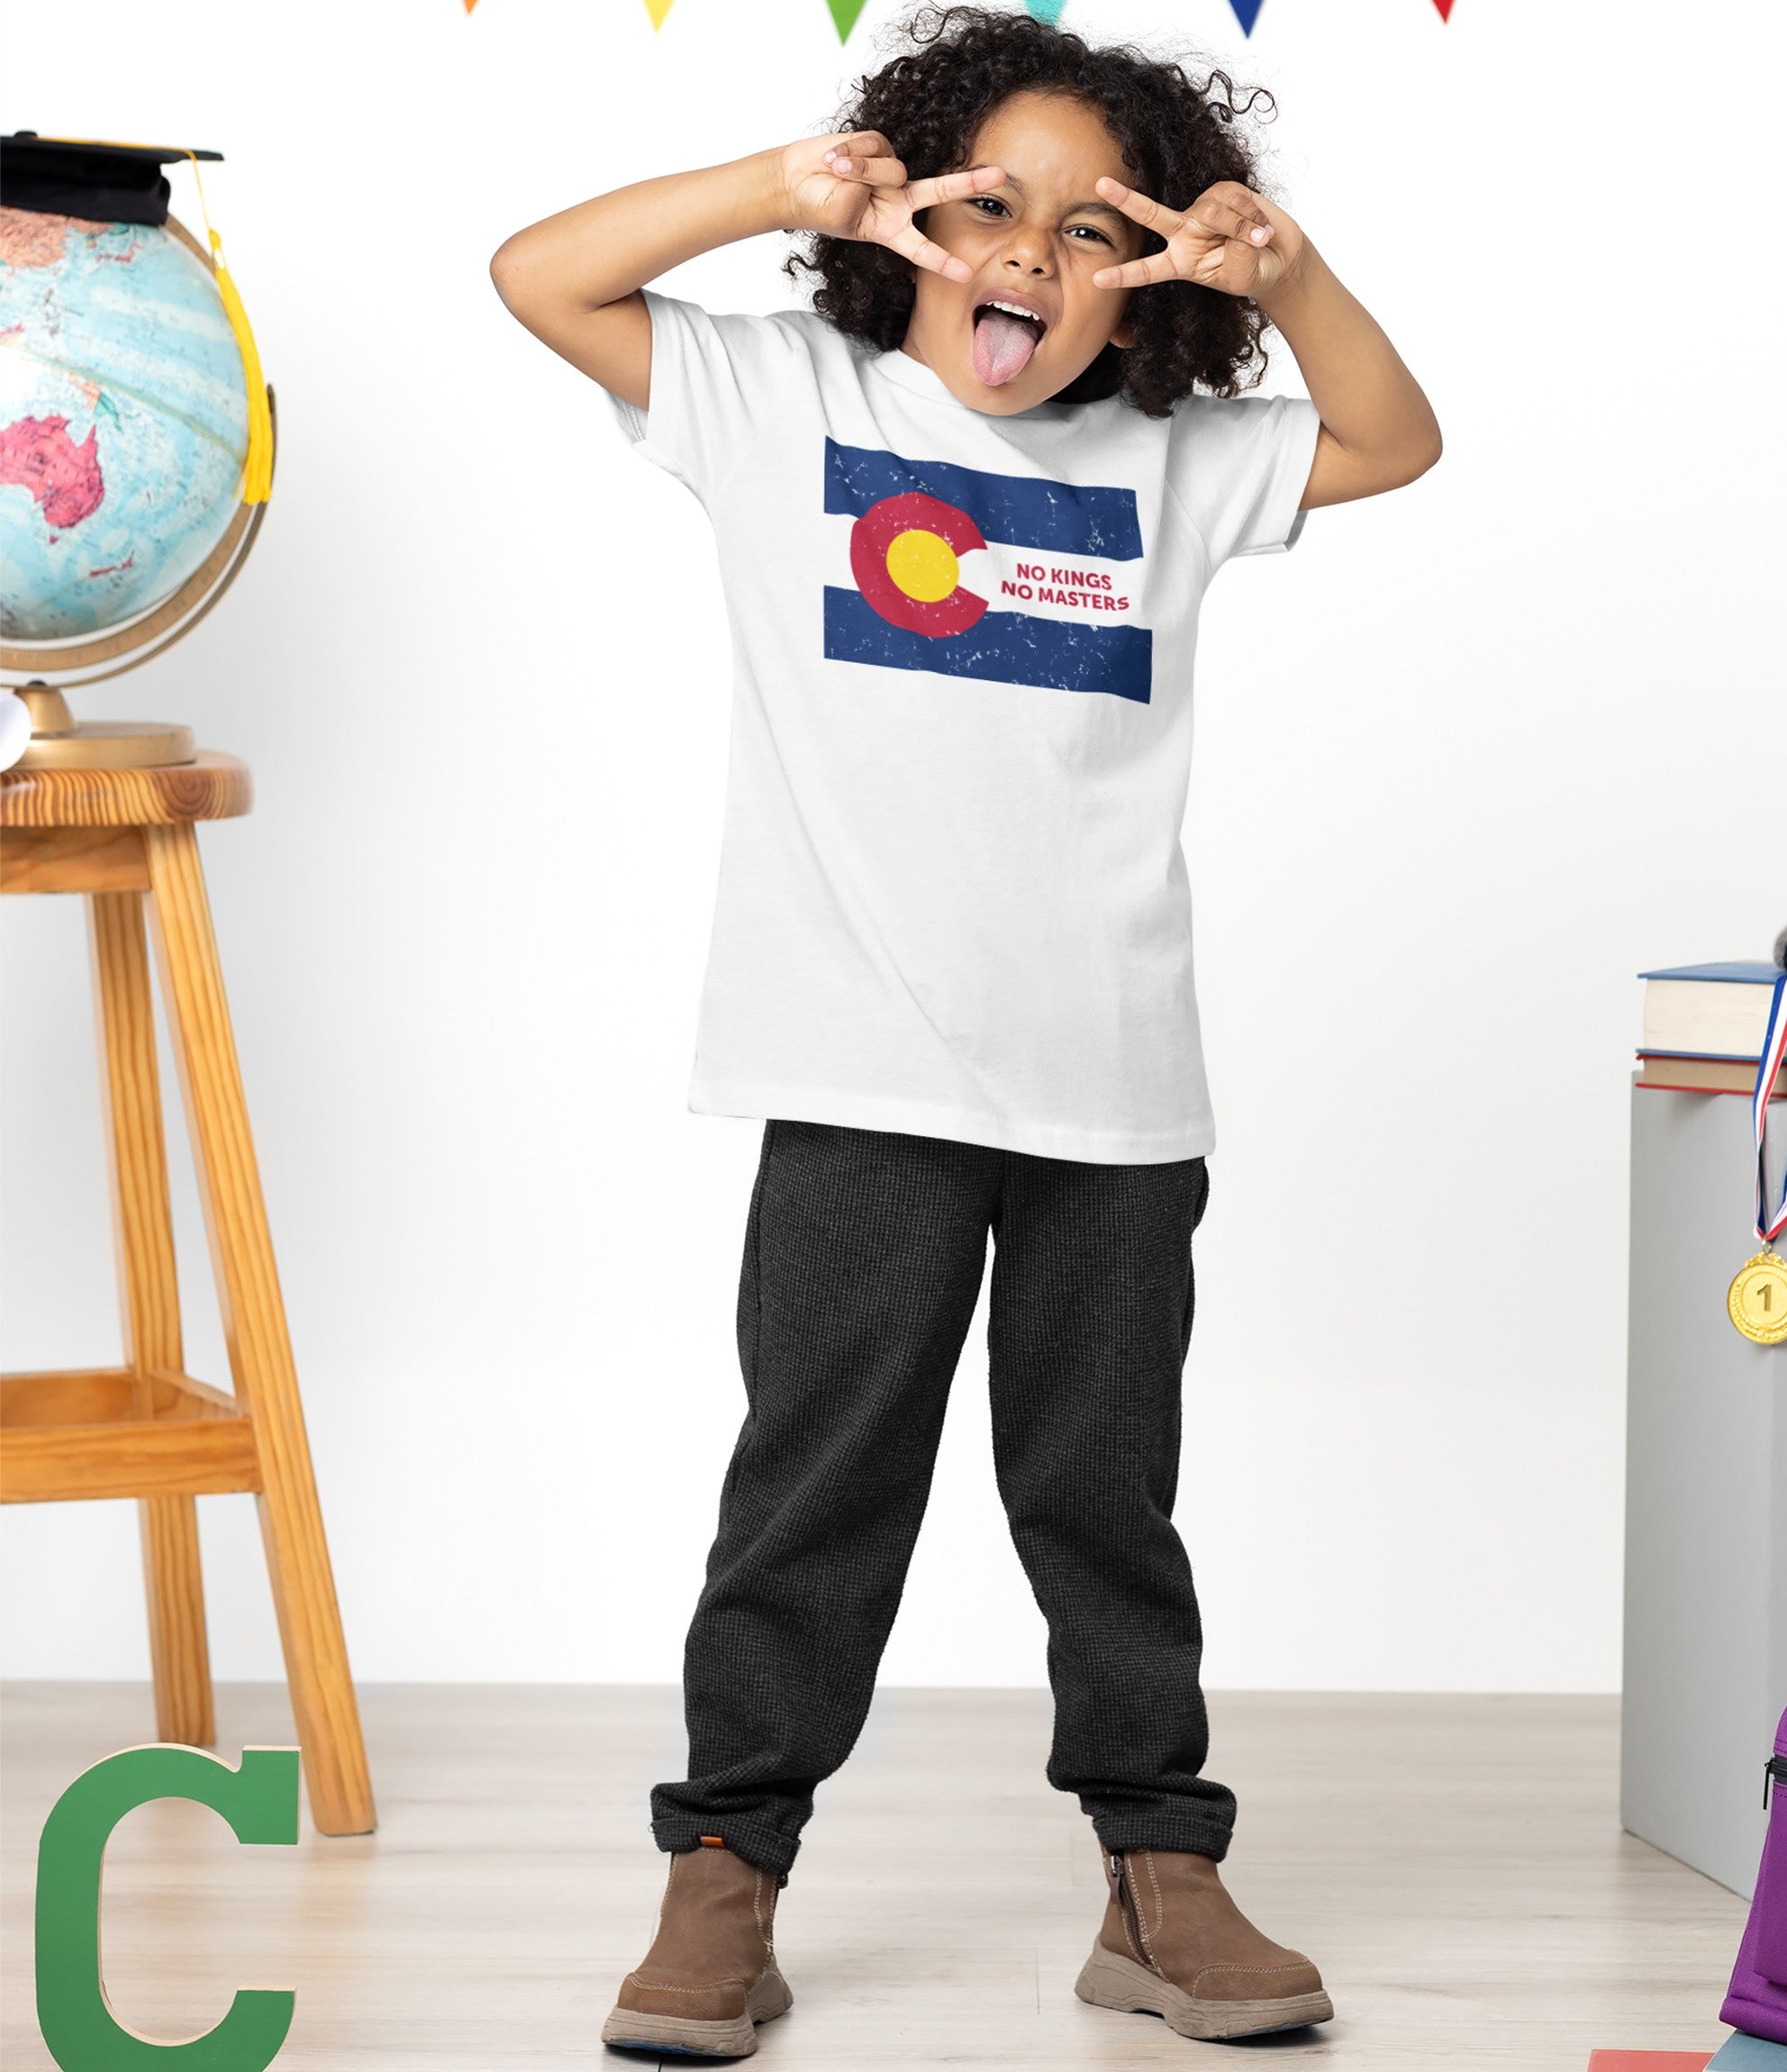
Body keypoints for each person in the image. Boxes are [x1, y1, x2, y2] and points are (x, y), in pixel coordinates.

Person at [490, 5, 1439, 2053]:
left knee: (1104, 1498)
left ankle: (1156, 1868)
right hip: (852, 1077)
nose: (1026, 257)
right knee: (815, 1487)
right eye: (983, 206)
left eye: (1090, 231)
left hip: (1114, 1091)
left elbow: (1392, 439)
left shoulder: (1171, 468)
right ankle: (725, 1863)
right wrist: (775, 186)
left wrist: (1296, 272)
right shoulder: (777, 405)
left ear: (1155, 276)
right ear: (905, 214)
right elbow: (536, 274)